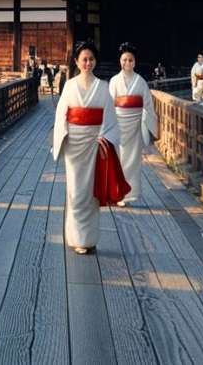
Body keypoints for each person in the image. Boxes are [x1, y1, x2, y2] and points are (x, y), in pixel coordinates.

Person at [51, 41, 122, 254]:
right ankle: (76, 237)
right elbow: (61, 116)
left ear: (95, 61)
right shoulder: (69, 86)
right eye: (84, 59)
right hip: (74, 144)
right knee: (75, 191)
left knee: (91, 192)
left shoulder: (103, 87)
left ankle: (88, 238)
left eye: (91, 59)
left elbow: (110, 119)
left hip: (94, 144)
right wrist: (62, 138)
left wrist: (104, 139)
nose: (88, 63)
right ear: (76, 61)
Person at [109, 42, 157, 207]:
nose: (127, 63)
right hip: (118, 124)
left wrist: (150, 126)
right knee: (119, 159)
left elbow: (148, 106)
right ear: (120, 61)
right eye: (124, 60)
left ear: (135, 62)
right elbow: (109, 105)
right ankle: (118, 193)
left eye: (130, 60)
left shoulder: (141, 82)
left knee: (133, 161)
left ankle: (129, 194)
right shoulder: (114, 81)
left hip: (135, 126)